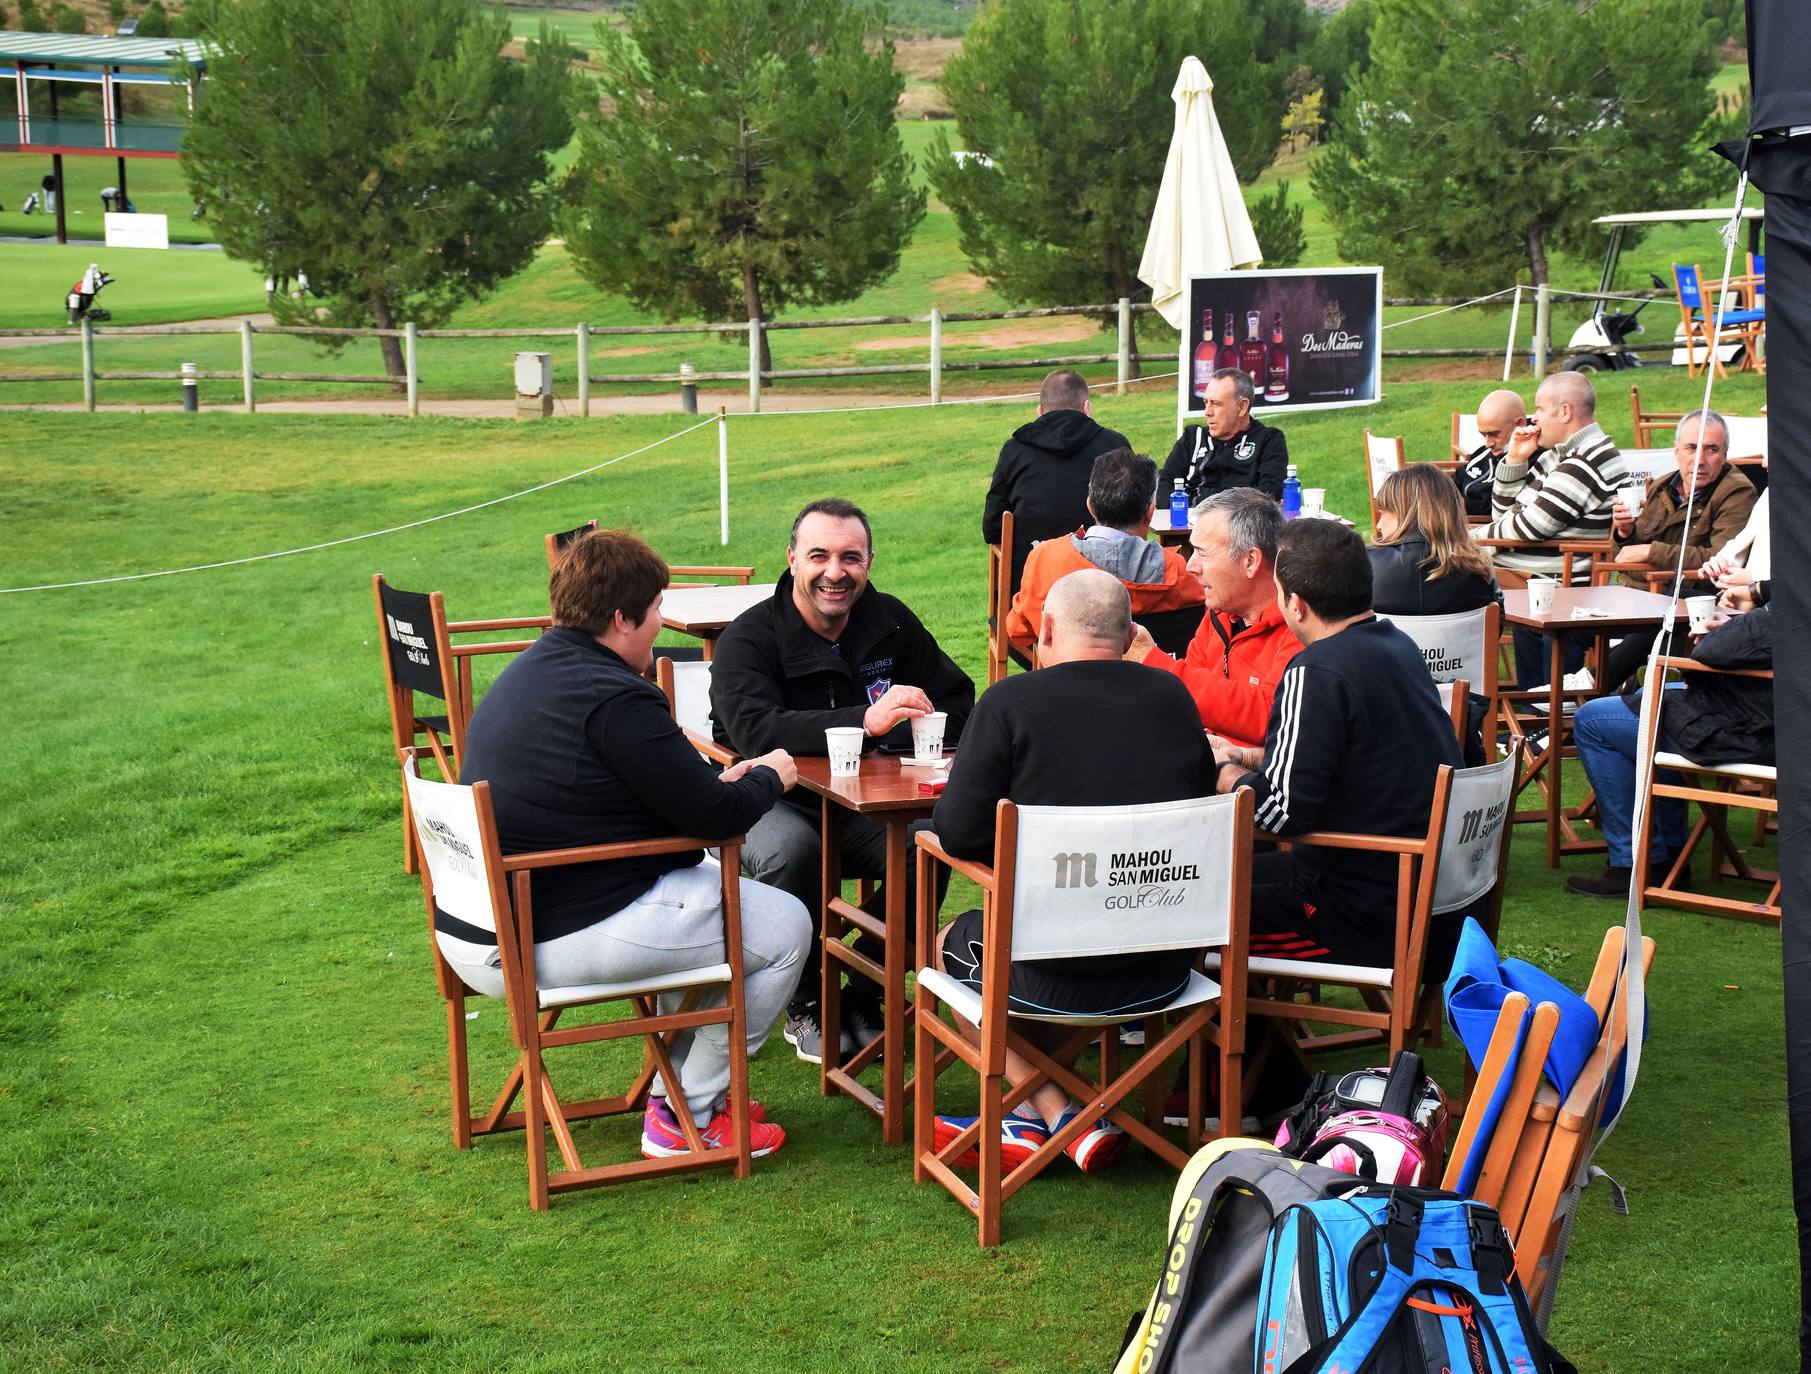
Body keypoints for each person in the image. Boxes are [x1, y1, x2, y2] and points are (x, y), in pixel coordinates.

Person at [446, 530, 812, 1161]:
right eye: (656, 612)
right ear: (623, 617)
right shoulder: (617, 695)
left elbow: (641, 793)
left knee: (703, 901)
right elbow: (718, 819)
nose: (659, 626)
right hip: (539, 935)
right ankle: (687, 1110)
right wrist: (765, 777)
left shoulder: (529, 671)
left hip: (474, 926)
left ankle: (690, 1086)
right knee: (784, 929)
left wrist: (710, 793)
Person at [928, 570, 1220, 1173]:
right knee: (1014, 941)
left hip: (1049, 974)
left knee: (950, 944)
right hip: (1165, 965)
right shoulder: (1172, 698)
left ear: (1049, 629)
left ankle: (1055, 1108)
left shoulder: (1010, 703)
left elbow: (955, 833)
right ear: (1130, 633)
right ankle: (1040, 1115)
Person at [710, 498, 976, 1063]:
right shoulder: (748, 638)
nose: (835, 571)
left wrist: (893, 737)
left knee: (931, 841)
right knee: (795, 851)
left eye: (850, 557)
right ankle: (805, 1001)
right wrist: (865, 720)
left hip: (866, 804)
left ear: (869, 562)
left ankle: (865, 988)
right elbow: (756, 730)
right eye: (819, 556)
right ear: (791, 559)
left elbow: (955, 697)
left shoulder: (891, 621)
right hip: (768, 800)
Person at [1211, 520, 1463, 969]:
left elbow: (1280, 813)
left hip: (1361, 915)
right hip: (1429, 903)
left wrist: (1219, 771)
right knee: (1212, 881)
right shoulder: (1396, 646)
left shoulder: (1317, 670)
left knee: (1185, 904)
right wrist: (1246, 756)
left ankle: (1229, 1036)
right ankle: (1257, 1035)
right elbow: (1346, 764)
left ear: (1295, 604)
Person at [1565, 602, 1774, 898]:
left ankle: (1633, 863)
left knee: (1592, 720)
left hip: (1754, 732)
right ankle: (1670, 852)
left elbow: (1708, 652)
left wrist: (1731, 624)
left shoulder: (1794, 599)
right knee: (1645, 697)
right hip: (1769, 720)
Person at [1478, 371, 1630, 689]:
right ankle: (1520, 712)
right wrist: (1515, 459)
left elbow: (1530, 527)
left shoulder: (1585, 461)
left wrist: (1470, 540)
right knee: (1462, 568)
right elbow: (1506, 514)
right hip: (1535, 582)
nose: (1533, 419)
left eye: (1540, 409)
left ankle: (1461, 687)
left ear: (1564, 411)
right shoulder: (1559, 456)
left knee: (1454, 567)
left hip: (1560, 589)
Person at [1126, 488, 1301, 748]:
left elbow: (1269, 717)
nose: (1190, 566)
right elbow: (1186, 702)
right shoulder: (1220, 615)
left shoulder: (1299, 625)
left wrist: (1152, 661)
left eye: (1203, 553)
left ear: (1250, 560)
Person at [1597, 409, 1757, 692]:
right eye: (1692, 448)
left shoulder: (1736, 492)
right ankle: (1543, 709)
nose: (1700, 459)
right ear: (1676, 451)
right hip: (1635, 593)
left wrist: (1652, 552)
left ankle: (1590, 685)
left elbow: (1719, 559)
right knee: (1560, 628)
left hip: (1685, 596)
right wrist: (1624, 532)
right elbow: (1626, 553)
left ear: (1725, 454)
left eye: (1711, 449)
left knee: (1669, 604)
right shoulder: (1663, 485)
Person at [1004, 447, 1204, 657]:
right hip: (1155, 683)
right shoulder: (1185, 572)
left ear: (1090, 506)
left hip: (1070, 684)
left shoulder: (1046, 561)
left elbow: (1019, 630)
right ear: (1150, 511)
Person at [981, 369, 1131, 597]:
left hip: (1030, 595)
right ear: (1087, 408)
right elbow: (1131, 519)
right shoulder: (1115, 446)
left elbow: (993, 529)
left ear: (1040, 412)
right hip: (1103, 594)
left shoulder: (1015, 450)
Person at [1369, 463, 1501, 616]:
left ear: (1403, 514)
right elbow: (1494, 627)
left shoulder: (1366, 568)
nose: (1379, 526)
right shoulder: (1479, 571)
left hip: (1388, 640)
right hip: (1458, 640)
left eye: (1383, 513)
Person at [1160, 368, 1289, 506]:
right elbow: (1164, 490)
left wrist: (1199, 503)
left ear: (1242, 407)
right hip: (1188, 525)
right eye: (1206, 402)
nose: (1207, 412)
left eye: (1216, 403)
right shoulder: (1192, 439)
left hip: (1242, 527)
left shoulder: (1268, 441)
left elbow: (1267, 497)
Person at [1451, 389, 1531, 516]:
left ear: (1520, 424)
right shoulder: (1483, 453)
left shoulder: (1532, 459)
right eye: (1483, 435)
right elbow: (1455, 481)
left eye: (1494, 434)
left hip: (1485, 530)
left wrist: (1457, 505)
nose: (1488, 443)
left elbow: (1503, 507)